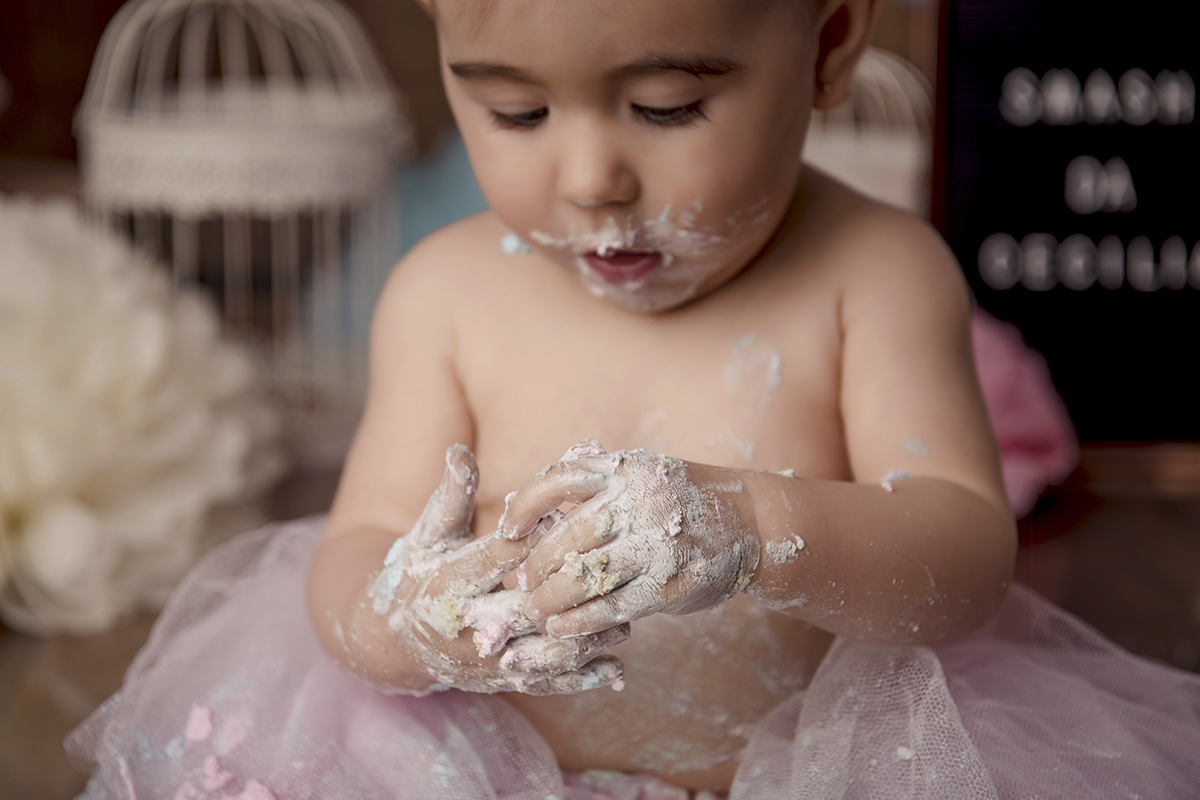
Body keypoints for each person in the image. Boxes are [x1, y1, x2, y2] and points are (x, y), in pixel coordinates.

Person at [68, 0, 1200, 798]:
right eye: (517, 114)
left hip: (799, 770)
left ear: (828, 45)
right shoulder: (444, 295)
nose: (591, 179)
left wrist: (755, 526)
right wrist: (413, 619)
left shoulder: (879, 276)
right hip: (483, 771)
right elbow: (357, 547)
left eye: (665, 106)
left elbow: (962, 556)